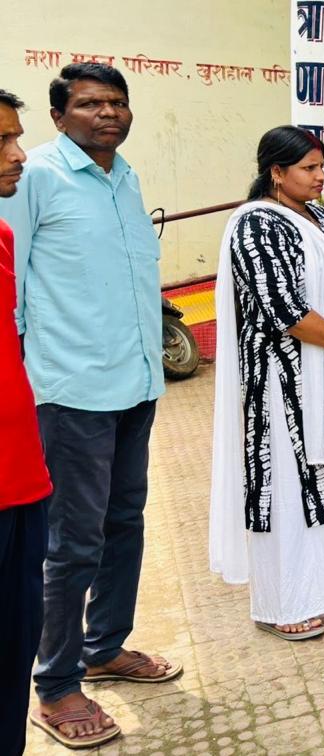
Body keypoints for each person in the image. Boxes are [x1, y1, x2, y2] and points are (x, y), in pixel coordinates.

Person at [0, 63, 180, 749]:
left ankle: (104, 646)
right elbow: (11, 284)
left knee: (123, 521)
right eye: (89, 103)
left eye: (117, 102)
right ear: (59, 116)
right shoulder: (36, 176)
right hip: (70, 390)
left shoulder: (124, 177)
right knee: (71, 542)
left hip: (135, 382)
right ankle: (55, 683)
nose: (107, 113)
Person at [210, 126, 324, 645]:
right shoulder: (256, 223)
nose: (320, 176)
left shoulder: (320, 217)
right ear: (276, 172)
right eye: (309, 168)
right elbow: (282, 309)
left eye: (322, 166)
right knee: (287, 484)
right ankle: (282, 601)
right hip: (284, 382)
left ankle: (323, 576)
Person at [0, 88, 54, 756]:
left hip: (24, 481)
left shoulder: (5, 236)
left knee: (15, 649)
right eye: (2, 141)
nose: (18, 155)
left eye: (16, 137)